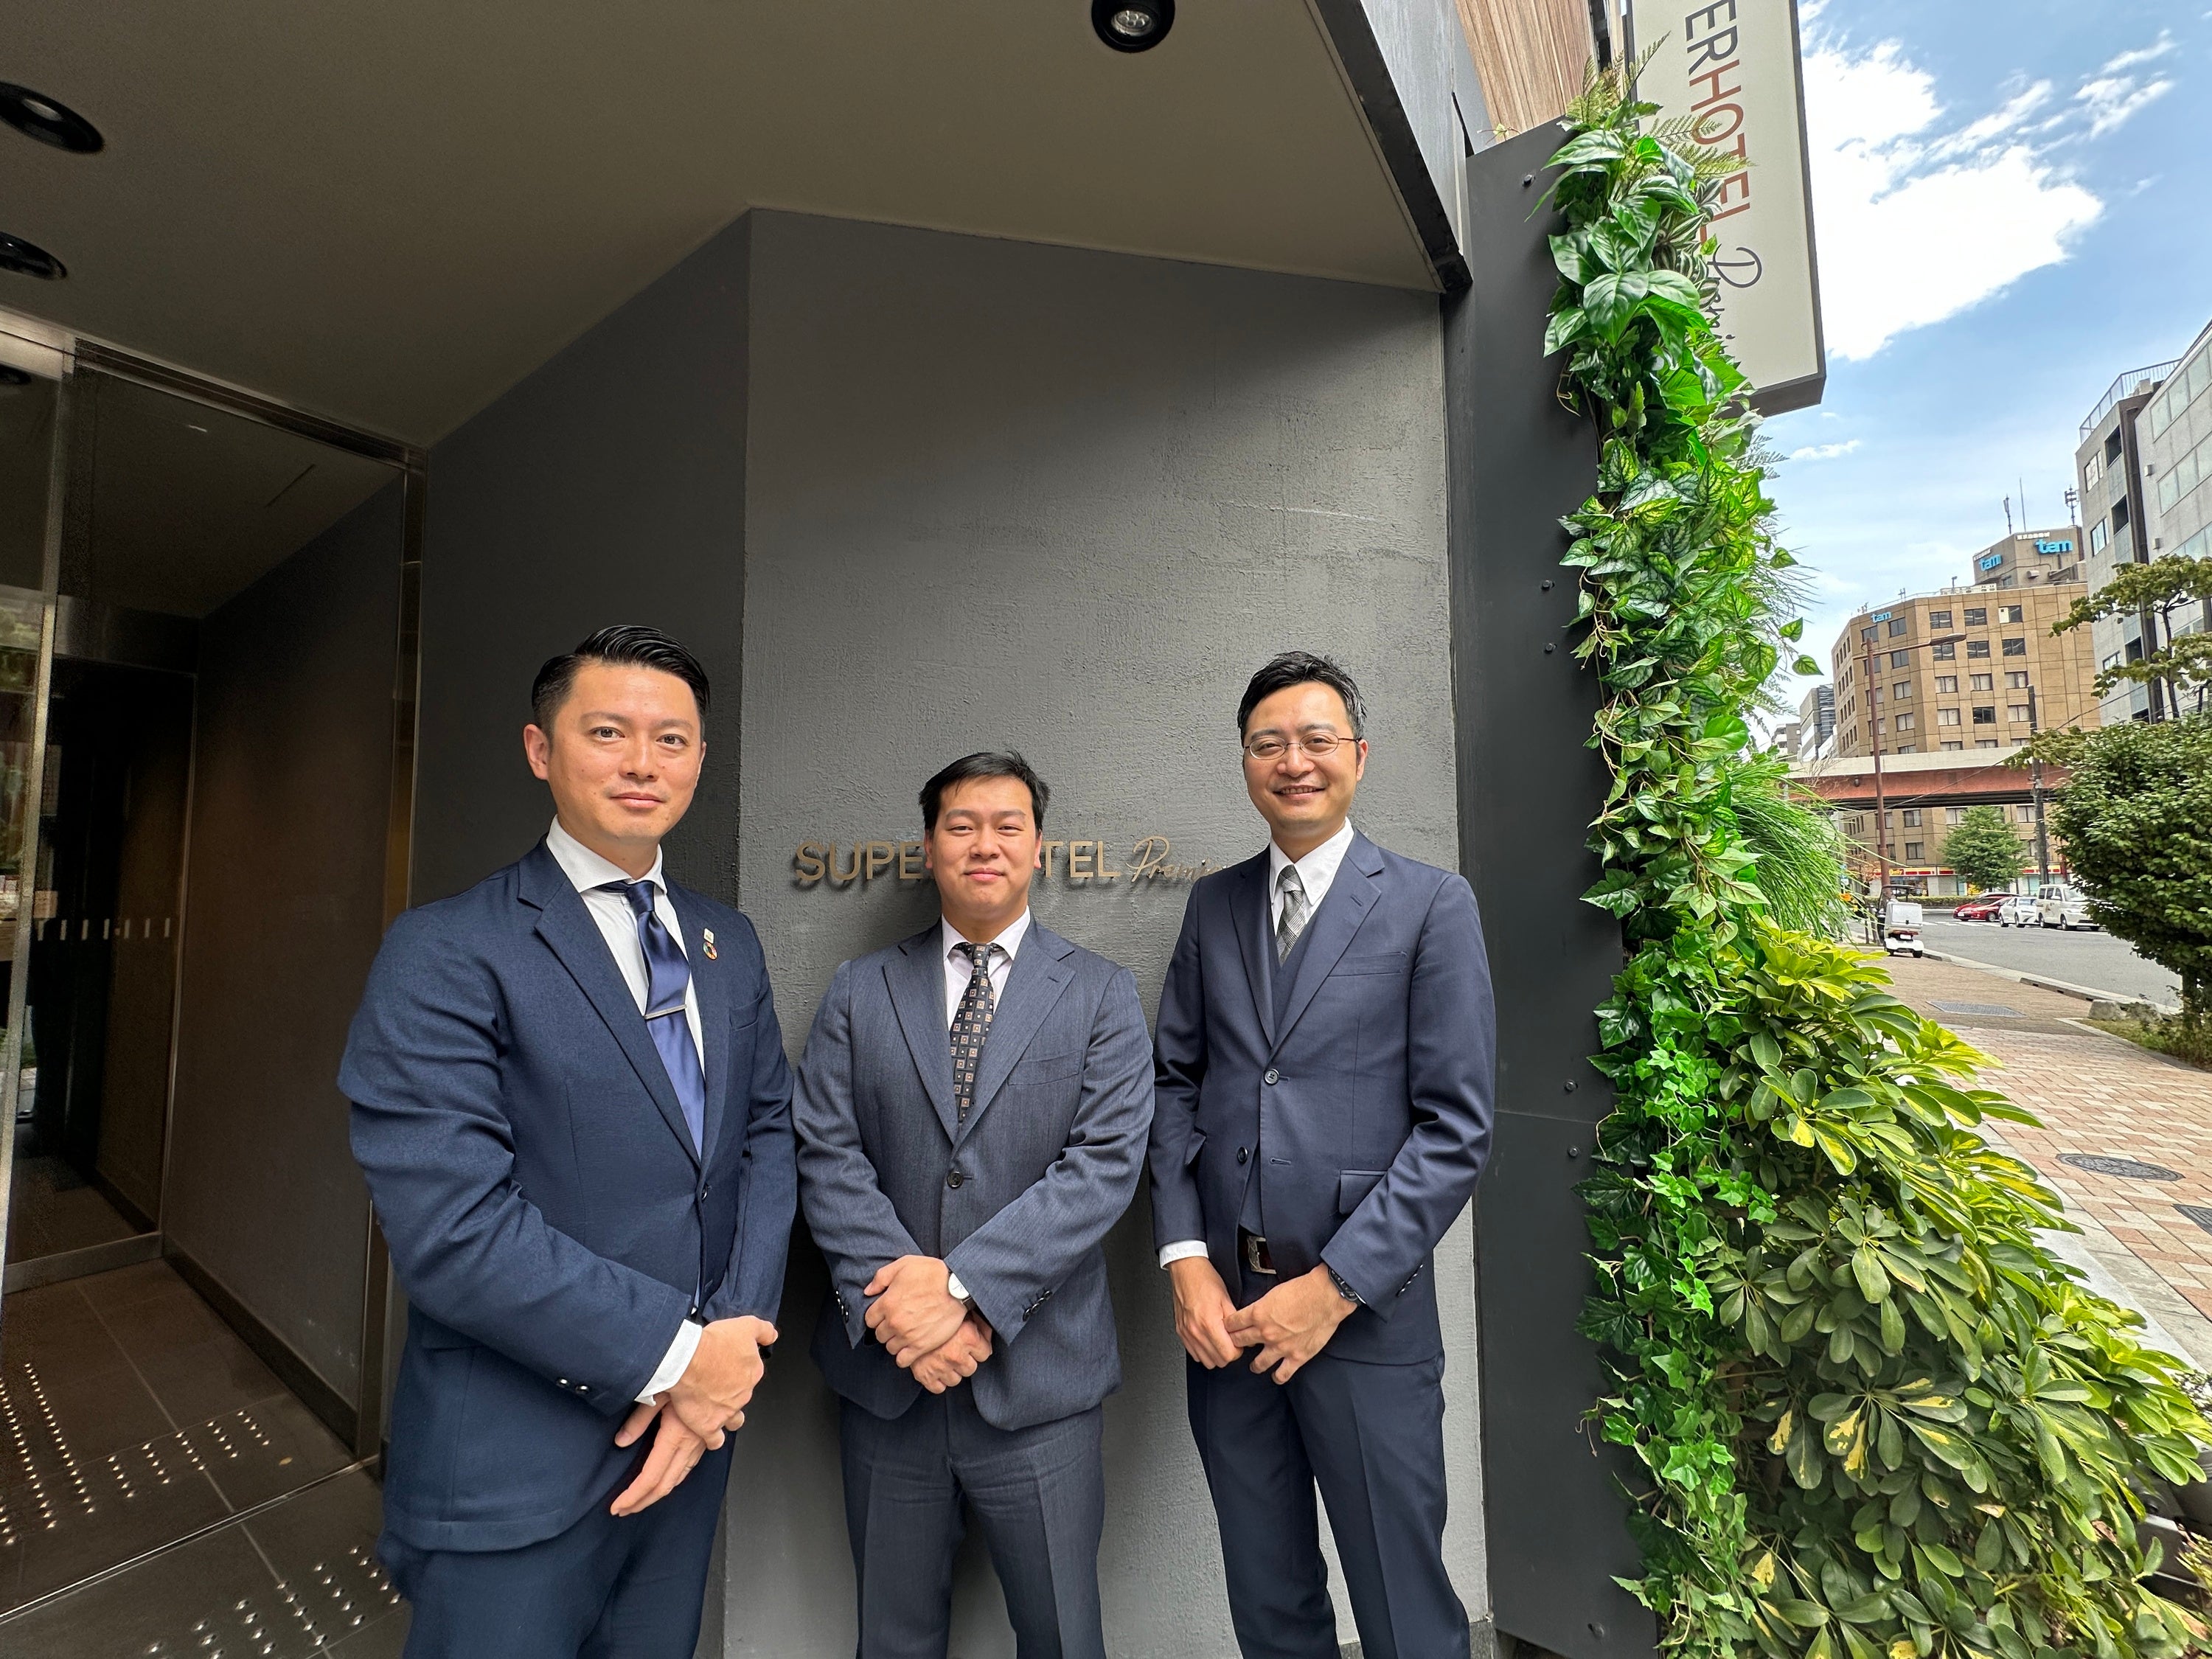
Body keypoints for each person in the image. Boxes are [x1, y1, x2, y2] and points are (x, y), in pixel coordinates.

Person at [342, 625, 796, 1658]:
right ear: (541, 749)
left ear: (700, 759)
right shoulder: (448, 950)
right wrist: (678, 1358)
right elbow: (453, 1229)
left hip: (690, 1449)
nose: (643, 762)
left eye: (671, 739)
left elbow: (767, 1139)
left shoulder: (728, 943)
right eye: (607, 732)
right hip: (517, 1465)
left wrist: (731, 1343)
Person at [1147, 651, 1495, 1659]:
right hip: (1228, 1323)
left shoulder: (1431, 904)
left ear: (1360, 754)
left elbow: (1455, 1127)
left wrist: (1336, 1287)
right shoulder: (1213, 905)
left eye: (1315, 739)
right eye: (1269, 744)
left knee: (1403, 1608)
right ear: (1246, 762)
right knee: (1269, 1603)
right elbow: (1174, 1086)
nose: (1293, 762)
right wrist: (1184, 1258)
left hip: (1365, 1321)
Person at [794, 751, 1154, 1659]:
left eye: (1007, 826)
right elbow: (827, 1153)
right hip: (890, 1385)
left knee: (1063, 1637)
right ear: (929, 847)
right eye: (961, 826)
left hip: (1041, 1384)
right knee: (892, 1639)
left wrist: (960, 1293)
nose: (984, 844)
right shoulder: (859, 989)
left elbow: (1103, 1167)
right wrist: (905, 1315)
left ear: (1039, 846)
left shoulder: (1100, 993)